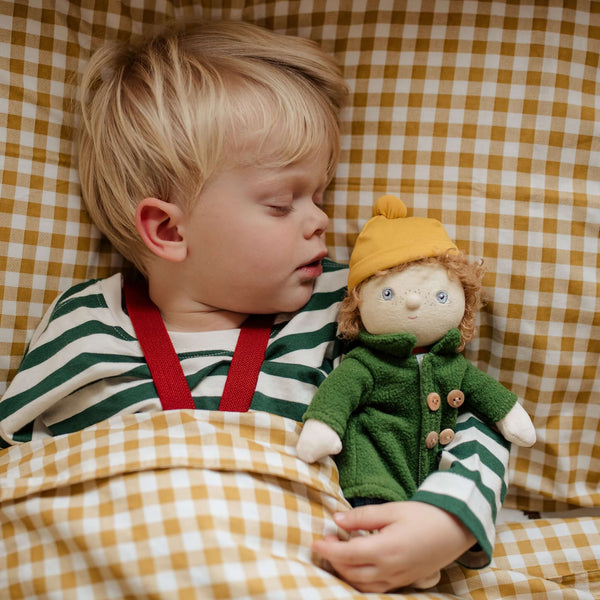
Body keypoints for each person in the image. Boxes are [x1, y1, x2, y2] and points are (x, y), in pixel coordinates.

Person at [0, 20, 510, 593]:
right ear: (167, 228)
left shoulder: (342, 311)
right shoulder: (86, 321)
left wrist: (447, 520)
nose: (321, 220)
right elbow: (19, 464)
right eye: (280, 202)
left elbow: (459, 412)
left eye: (319, 195)